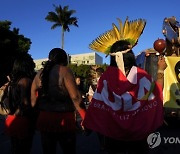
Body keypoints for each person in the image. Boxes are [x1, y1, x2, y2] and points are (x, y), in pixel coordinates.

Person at [83, 17, 167, 154]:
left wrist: (88, 124)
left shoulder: (105, 78)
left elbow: (96, 104)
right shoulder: (141, 76)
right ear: (131, 55)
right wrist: (160, 70)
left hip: (113, 135)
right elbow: (157, 91)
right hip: (139, 135)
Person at [31, 48, 86, 154]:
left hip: (44, 118)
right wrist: (85, 117)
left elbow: (33, 98)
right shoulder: (65, 70)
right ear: (64, 59)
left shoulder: (39, 74)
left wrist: (34, 118)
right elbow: (75, 97)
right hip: (64, 119)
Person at [4, 53, 36, 154]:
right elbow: (25, 103)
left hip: (11, 119)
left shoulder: (12, 82)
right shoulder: (25, 81)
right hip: (21, 119)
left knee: (15, 148)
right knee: (24, 149)